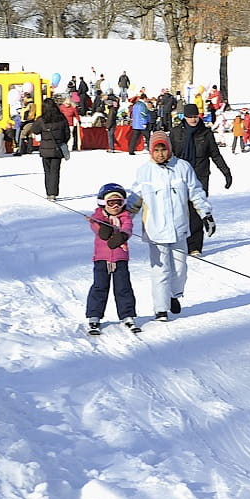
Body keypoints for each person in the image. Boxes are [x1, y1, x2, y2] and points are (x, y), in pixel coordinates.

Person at [129, 132, 214, 322]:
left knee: (179, 268)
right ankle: (160, 308)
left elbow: (196, 192)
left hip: (179, 228)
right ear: (151, 151)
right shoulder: (145, 171)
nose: (160, 154)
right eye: (156, 150)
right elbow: (134, 199)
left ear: (170, 149)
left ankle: (174, 294)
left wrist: (206, 215)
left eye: (163, 149)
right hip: (155, 230)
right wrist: (122, 219)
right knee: (160, 270)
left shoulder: (183, 168)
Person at [168, 103, 233, 254]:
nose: (193, 120)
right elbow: (169, 155)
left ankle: (195, 246)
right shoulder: (176, 132)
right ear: (184, 117)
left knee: (198, 210)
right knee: (179, 209)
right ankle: (178, 241)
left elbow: (215, 155)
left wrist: (226, 172)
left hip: (200, 176)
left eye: (195, 116)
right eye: (190, 117)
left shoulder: (206, 133)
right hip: (179, 176)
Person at [85, 183, 139, 335]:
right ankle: (94, 316)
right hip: (101, 259)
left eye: (119, 202)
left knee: (123, 287)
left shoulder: (125, 216)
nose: (115, 206)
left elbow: (127, 227)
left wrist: (123, 235)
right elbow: (96, 228)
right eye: (111, 203)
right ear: (103, 203)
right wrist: (104, 228)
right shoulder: (97, 217)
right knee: (99, 287)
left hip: (120, 258)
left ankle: (127, 315)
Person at [35, 97, 72, 200]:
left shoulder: (41, 119)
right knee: (55, 171)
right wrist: (62, 142)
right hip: (57, 149)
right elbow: (67, 134)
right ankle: (53, 193)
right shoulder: (62, 118)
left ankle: (48, 192)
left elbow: (35, 130)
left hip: (45, 149)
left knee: (47, 171)